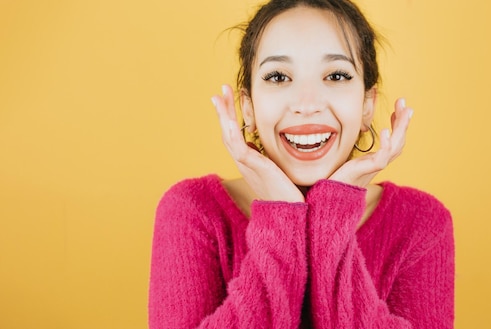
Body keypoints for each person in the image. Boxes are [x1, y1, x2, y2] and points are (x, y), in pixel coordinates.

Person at [148, 0, 454, 328]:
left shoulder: (421, 223)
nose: (307, 105)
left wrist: (334, 214)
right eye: (278, 77)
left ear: (367, 106)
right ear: (247, 108)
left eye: (336, 75)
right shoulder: (193, 211)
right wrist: (281, 216)